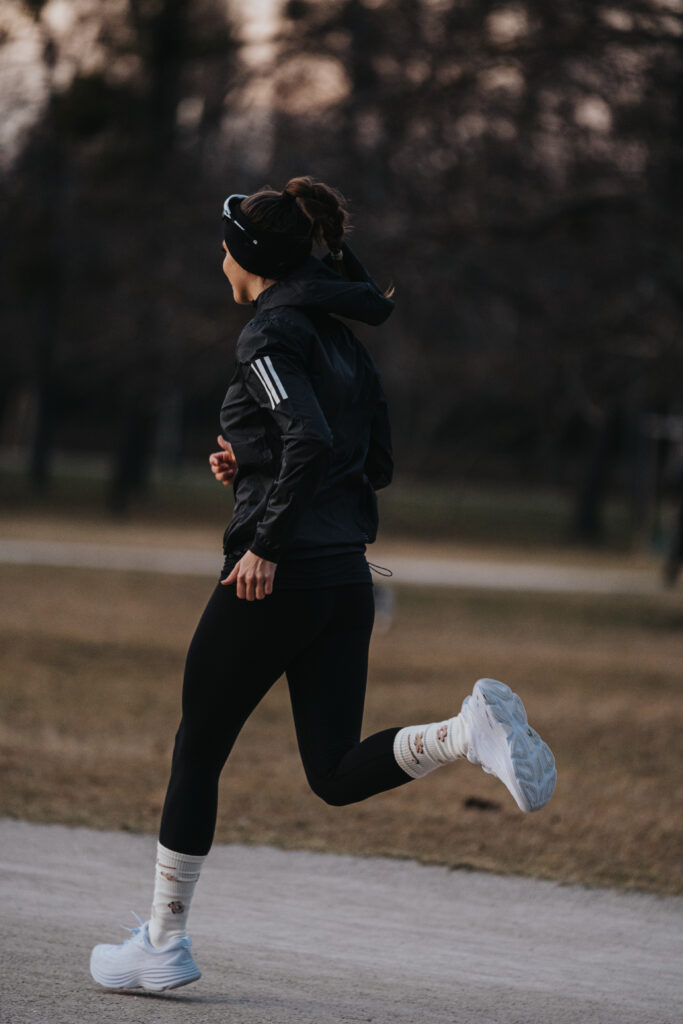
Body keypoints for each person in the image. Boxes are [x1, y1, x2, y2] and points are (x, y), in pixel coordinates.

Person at [90, 176, 556, 992]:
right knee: (334, 774)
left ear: (248, 258)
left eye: (225, 242)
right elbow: (366, 463)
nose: (218, 253)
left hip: (281, 576)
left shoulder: (269, 335)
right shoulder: (345, 343)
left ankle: (161, 947)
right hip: (346, 577)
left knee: (197, 747)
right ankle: (463, 733)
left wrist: (265, 539)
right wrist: (253, 465)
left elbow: (306, 437)